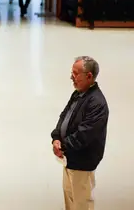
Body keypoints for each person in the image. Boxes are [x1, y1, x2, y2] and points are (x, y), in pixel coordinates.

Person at [51, 56, 109, 210]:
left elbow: (85, 134)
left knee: (82, 203)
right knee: (70, 200)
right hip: (70, 158)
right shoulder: (78, 93)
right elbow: (64, 116)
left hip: (82, 163)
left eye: (76, 74)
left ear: (89, 76)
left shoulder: (97, 103)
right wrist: (56, 137)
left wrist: (62, 146)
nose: (72, 77)